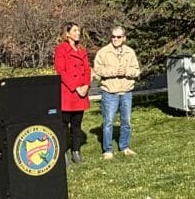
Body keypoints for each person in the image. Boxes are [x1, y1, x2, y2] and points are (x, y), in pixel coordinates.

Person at [92, 26, 141, 159]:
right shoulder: (103, 52)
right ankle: (107, 150)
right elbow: (97, 71)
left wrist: (126, 72)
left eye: (119, 37)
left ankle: (124, 146)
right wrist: (113, 72)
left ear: (124, 38)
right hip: (110, 92)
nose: (115, 39)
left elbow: (137, 71)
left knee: (126, 121)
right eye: (113, 36)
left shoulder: (130, 52)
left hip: (126, 92)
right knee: (108, 122)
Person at [54, 22, 91, 164]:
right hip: (68, 93)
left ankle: (76, 151)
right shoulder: (61, 49)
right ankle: (63, 152)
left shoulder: (82, 49)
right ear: (67, 33)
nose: (78, 33)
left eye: (78, 31)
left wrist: (86, 86)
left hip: (81, 93)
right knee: (64, 126)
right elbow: (61, 71)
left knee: (77, 124)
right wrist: (76, 87)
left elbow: (87, 69)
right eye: (75, 31)